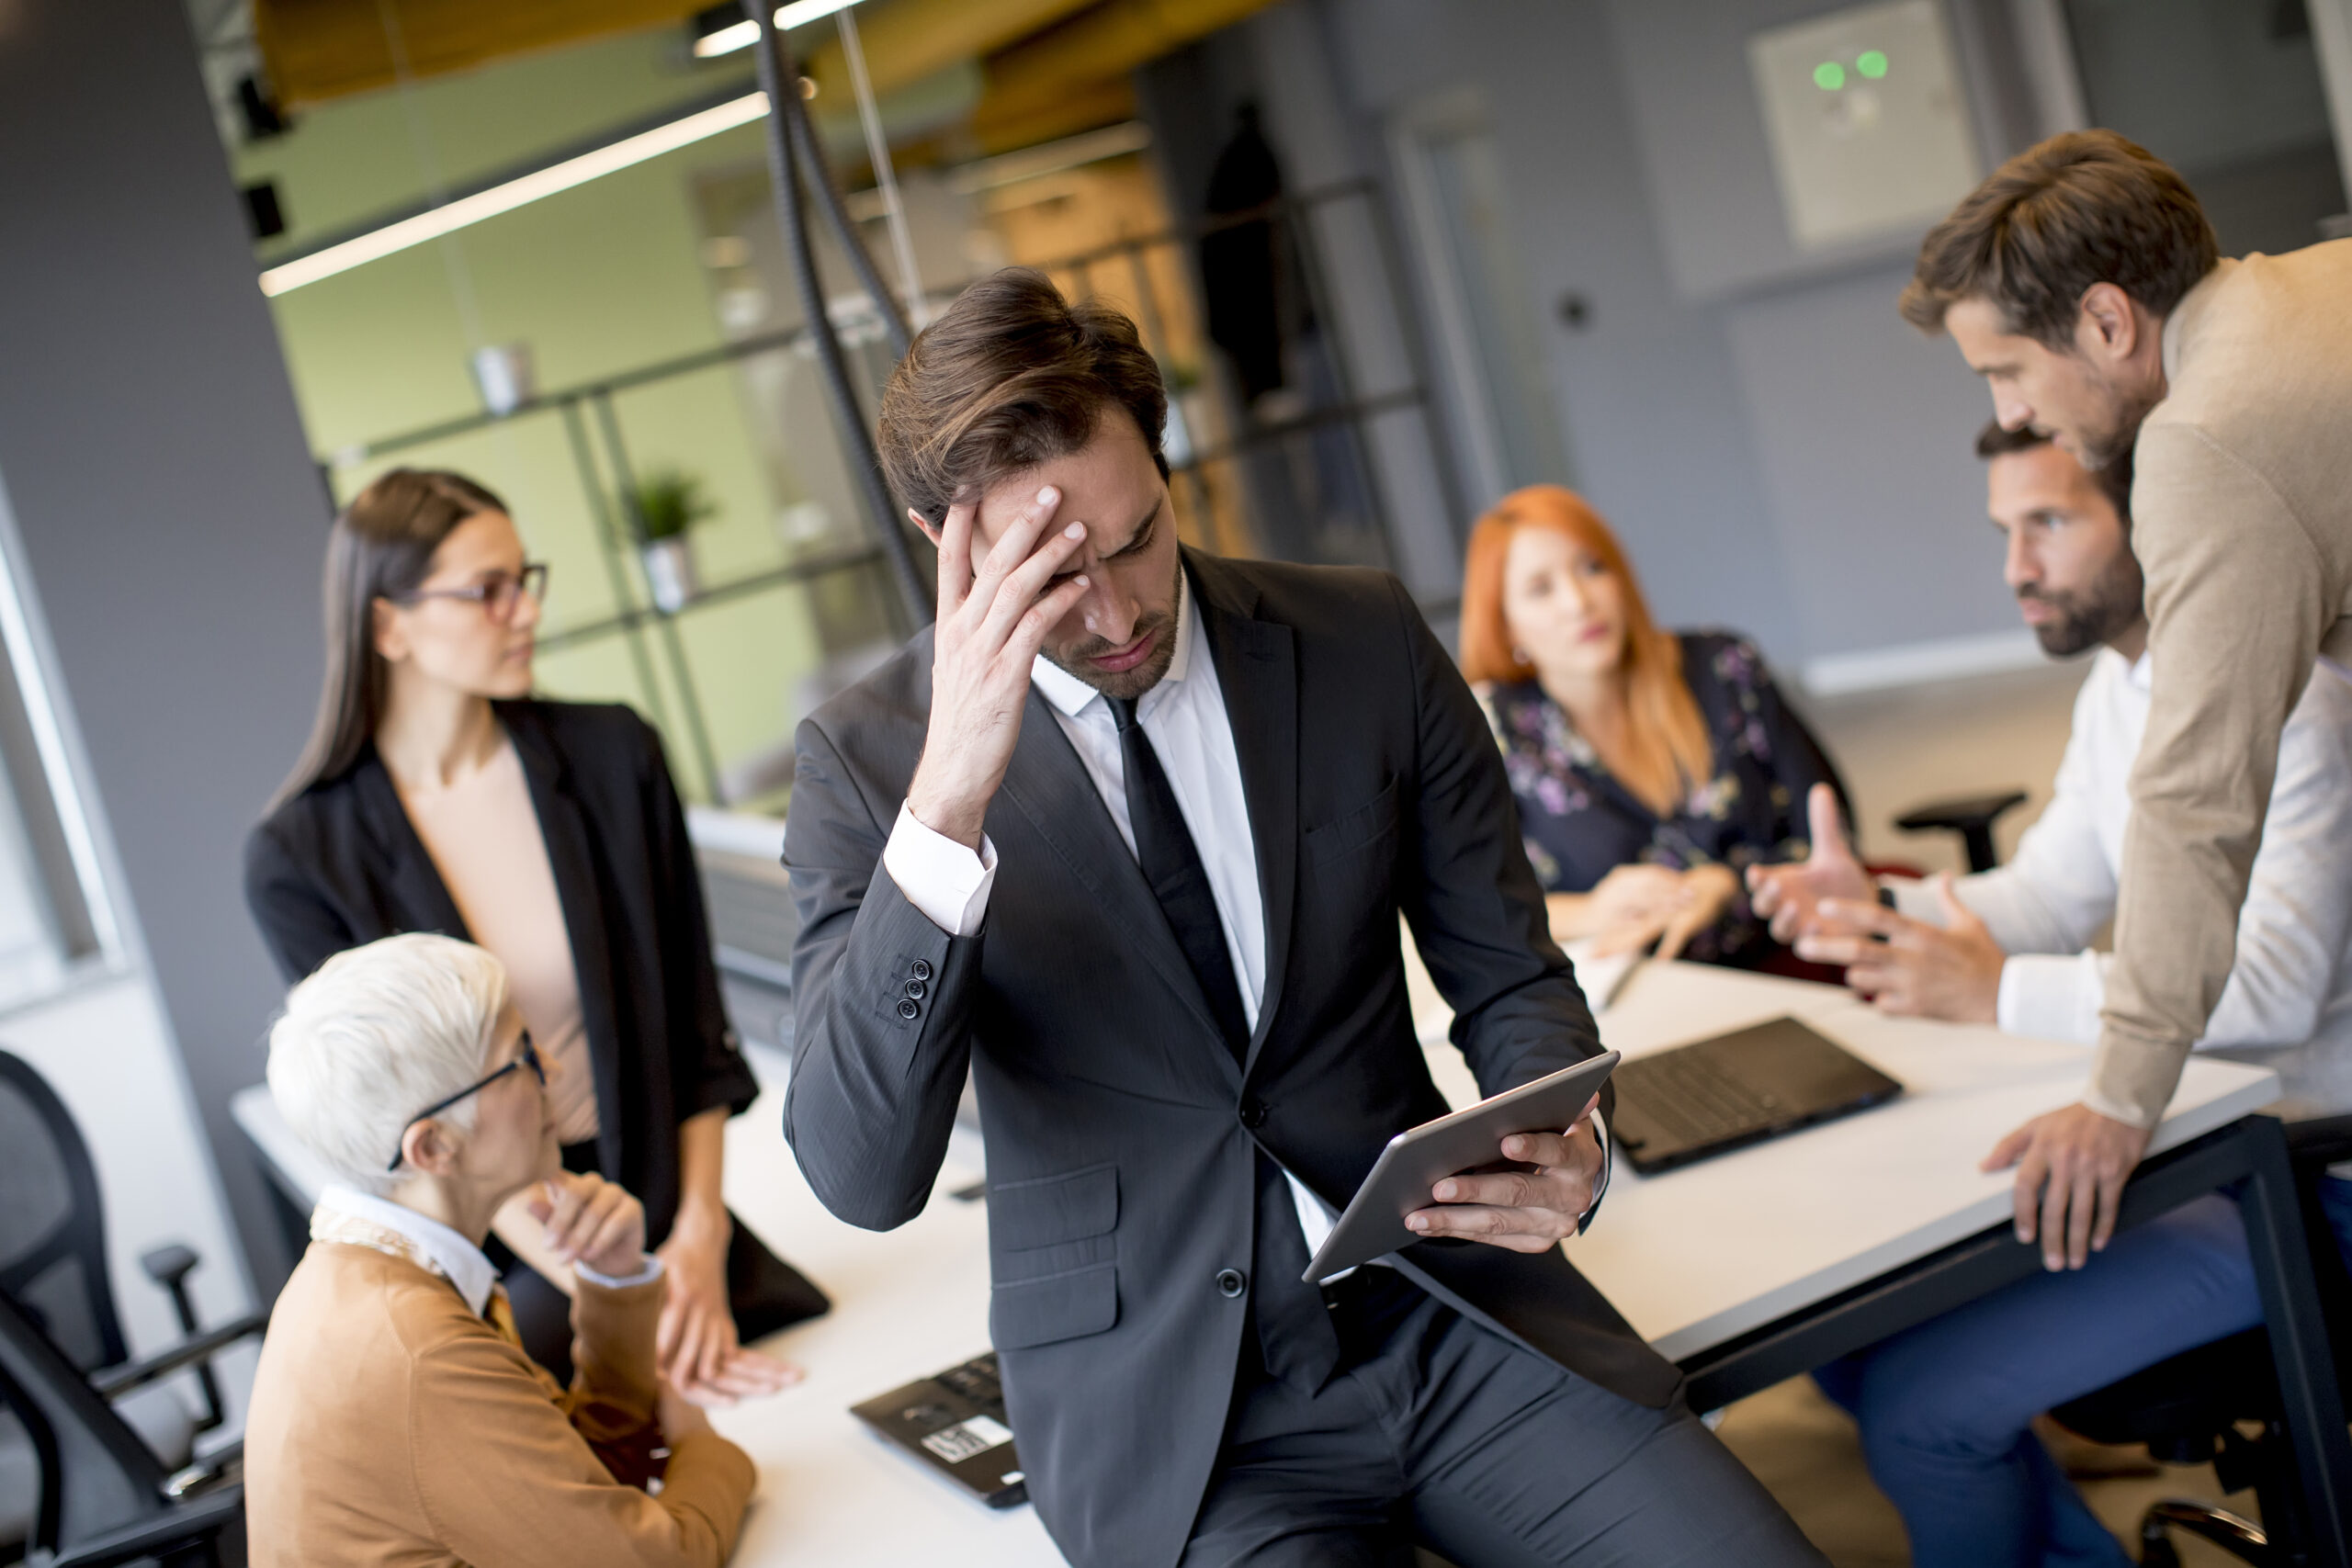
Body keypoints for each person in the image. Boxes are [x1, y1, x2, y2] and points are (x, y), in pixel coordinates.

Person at [782, 268, 1826, 1568]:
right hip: (1183, 1424)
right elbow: (858, 1172)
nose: (1113, 615)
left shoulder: (1361, 639)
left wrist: (1571, 1128)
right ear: (946, 550)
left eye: (1136, 539)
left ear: (1168, 476)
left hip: (1448, 1317)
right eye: (1051, 582)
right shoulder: (869, 761)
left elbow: (1507, 978)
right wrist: (950, 794)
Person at [1747, 423, 2352, 1568]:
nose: (2016, 565)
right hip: (2205, 1142)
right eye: (2005, 530)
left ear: (2156, 518)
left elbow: (2269, 990)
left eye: (2050, 521)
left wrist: (1998, 994)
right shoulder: (2127, 687)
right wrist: (1883, 910)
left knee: (1919, 1413)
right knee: (1852, 1345)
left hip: (2307, 1188)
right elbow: (2047, 893)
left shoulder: (2294, 703)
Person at [243, 468, 820, 1402]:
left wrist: (696, 1238)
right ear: (387, 626)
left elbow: (693, 1025)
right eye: (486, 591)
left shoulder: (610, 756)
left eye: (525, 579)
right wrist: (615, 1289)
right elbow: (410, 1121)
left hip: (673, 1214)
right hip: (513, 1253)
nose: (524, 613)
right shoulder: (301, 857)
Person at [1894, 129, 2352, 1274]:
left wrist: (2119, 1095)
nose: (2014, 408)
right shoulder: (2312, 286)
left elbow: (2193, 801)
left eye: (2006, 371)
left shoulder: (2207, 439)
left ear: (2106, 321)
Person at [244, 932, 756, 1567]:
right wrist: (706, 1448)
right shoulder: (416, 1347)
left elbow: (583, 1475)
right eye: (522, 1060)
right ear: (431, 1148)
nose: (558, 1069)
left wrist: (614, 1280)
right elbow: (656, 1559)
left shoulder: (374, 1269)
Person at [1461, 483, 1841, 965]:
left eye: (1592, 567)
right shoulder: (1489, 726)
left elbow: (1831, 835)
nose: (1579, 602)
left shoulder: (1726, 667)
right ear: (1506, 625)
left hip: (1780, 956)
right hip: (1632, 989)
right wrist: (1590, 910)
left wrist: (1728, 885)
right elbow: (1470, 911)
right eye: (1541, 589)